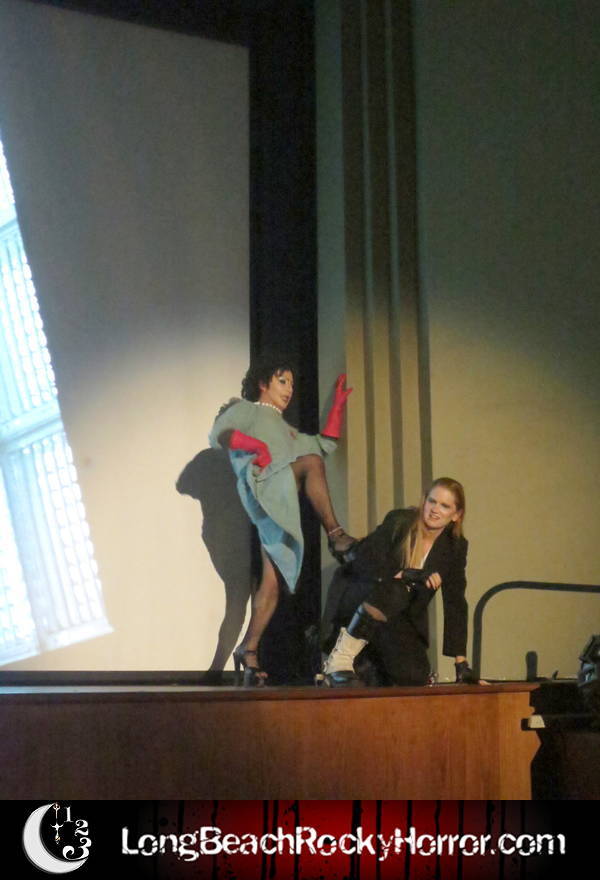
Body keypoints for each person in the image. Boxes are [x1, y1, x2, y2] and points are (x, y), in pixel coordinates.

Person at [209, 354, 354, 686]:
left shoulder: (287, 431)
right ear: (263, 383)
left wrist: (337, 406)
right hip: (263, 485)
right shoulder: (247, 410)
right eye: (282, 381)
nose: (289, 389)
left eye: (291, 383)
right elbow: (221, 434)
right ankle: (335, 535)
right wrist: (258, 447)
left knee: (271, 583)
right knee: (311, 463)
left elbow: (324, 443)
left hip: (279, 498)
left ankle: (248, 650)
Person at [321, 477, 480, 687]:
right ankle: (339, 661)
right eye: (432, 501)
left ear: (456, 515)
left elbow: (455, 601)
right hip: (363, 598)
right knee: (396, 590)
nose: (435, 510)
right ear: (424, 501)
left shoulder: (455, 546)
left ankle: (368, 664)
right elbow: (365, 562)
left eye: (444, 506)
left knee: (414, 677)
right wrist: (404, 574)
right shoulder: (400, 521)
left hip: (398, 617)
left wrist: (461, 663)